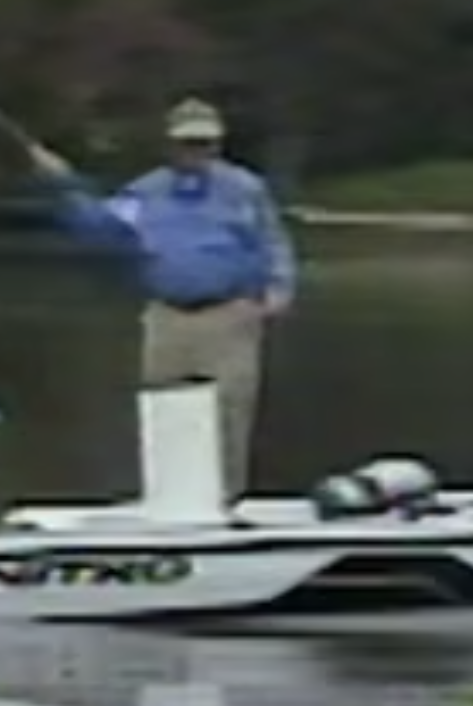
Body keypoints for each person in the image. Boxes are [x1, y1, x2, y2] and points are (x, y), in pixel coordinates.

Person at [28, 96, 296, 496]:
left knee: (228, 416)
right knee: (166, 411)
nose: (196, 153)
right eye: (188, 144)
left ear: (218, 145)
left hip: (229, 315)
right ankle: (174, 499)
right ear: (170, 146)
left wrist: (279, 288)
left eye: (204, 144)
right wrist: (62, 183)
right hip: (166, 316)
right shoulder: (145, 192)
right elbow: (101, 229)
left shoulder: (244, 189)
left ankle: (226, 500)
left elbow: (273, 241)